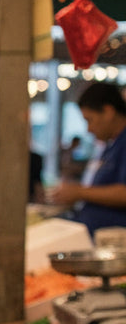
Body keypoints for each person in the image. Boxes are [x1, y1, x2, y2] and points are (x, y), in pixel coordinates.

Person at [51, 83, 126, 234]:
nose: (89, 129)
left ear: (108, 112)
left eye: (89, 120)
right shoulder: (110, 146)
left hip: (110, 240)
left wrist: (79, 192)